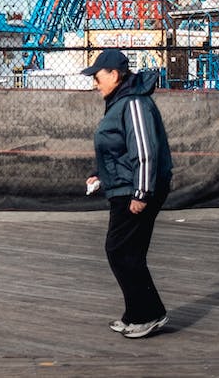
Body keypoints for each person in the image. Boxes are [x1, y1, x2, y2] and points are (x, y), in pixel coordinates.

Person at [83, 47, 172, 339]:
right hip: (123, 185)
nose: (95, 83)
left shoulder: (133, 102)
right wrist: (101, 174)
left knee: (120, 251)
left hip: (135, 189)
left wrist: (142, 193)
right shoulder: (121, 100)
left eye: (97, 77)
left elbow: (144, 150)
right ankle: (138, 314)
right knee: (128, 253)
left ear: (114, 74)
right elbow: (117, 149)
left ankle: (149, 314)